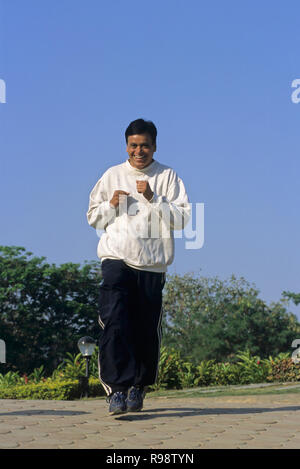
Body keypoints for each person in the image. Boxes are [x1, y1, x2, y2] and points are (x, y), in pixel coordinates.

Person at [87, 118, 190, 415]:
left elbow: (183, 220)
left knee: (145, 329)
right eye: (133, 145)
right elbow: (93, 217)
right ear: (126, 146)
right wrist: (110, 205)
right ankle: (116, 390)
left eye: (145, 145)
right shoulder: (113, 175)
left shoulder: (168, 177)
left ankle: (137, 387)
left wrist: (153, 198)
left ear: (154, 146)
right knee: (115, 322)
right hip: (116, 258)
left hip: (153, 264)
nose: (139, 151)